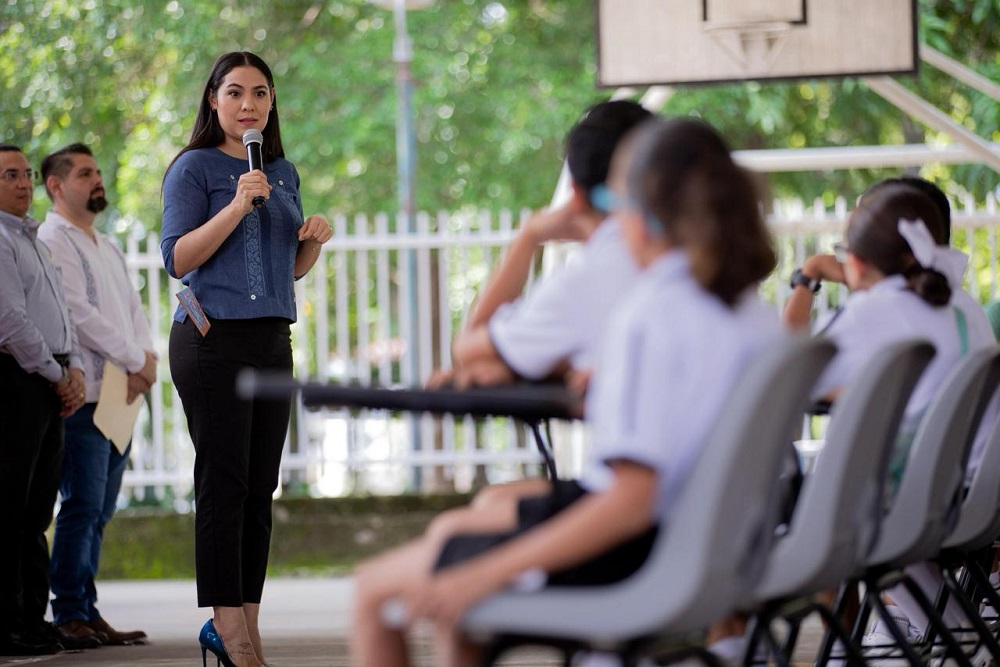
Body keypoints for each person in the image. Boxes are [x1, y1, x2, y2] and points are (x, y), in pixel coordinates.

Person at [350, 116, 781, 667]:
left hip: (639, 554)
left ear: (641, 215)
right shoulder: (755, 317)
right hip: (717, 546)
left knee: (372, 590)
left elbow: (628, 504)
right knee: (461, 554)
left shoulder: (650, 315)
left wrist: (484, 575)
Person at [161, 51, 333, 667]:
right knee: (223, 481)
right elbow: (177, 258)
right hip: (211, 341)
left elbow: (287, 272)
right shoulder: (192, 168)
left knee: (261, 487)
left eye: (260, 93)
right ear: (214, 100)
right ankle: (226, 629)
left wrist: (311, 240)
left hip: (269, 340)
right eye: (235, 93)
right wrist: (235, 205)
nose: (248, 105)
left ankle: (248, 629)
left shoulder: (281, 170)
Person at [784, 182, 996, 663]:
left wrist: (806, 279)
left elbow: (789, 371)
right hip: (974, 493)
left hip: (918, 502)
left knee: (809, 499)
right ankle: (954, 634)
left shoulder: (876, 311)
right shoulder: (960, 305)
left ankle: (934, 634)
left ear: (855, 260)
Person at [445, 99, 650, 389]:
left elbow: (468, 349)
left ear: (576, 194)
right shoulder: (702, 248)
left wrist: (528, 236)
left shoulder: (585, 282)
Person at [37, 142, 156, 646]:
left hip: (121, 394)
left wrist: (146, 360)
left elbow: (132, 308)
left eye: (98, 171)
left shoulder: (104, 244)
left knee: (101, 510)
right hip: (85, 398)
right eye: (85, 173)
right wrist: (134, 358)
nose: (97, 180)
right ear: (57, 186)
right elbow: (76, 314)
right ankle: (68, 613)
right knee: (81, 505)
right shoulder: (52, 238)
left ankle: (88, 608)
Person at [0, 144, 87, 656]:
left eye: (25, 174)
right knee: (10, 506)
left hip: (50, 375)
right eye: (9, 175)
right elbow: (10, 322)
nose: (22, 183)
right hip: (17, 380)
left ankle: (33, 616)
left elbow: (62, 314)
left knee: (37, 509)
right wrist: (57, 373)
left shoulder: (31, 239)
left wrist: (72, 366)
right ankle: (8, 619)